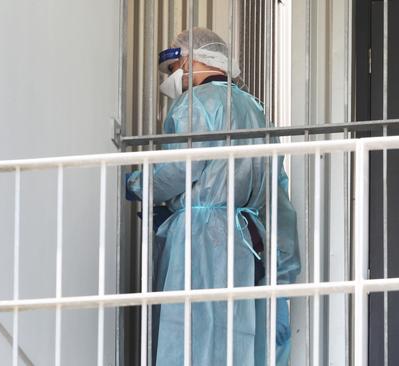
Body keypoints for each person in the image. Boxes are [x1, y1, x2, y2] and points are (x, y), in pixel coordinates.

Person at [127, 27, 300, 366]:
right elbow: (277, 192)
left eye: (174, 69)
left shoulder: (194, 104)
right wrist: (281, 264)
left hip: (200, 236)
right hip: (249, 242)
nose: (173, 78)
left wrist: (136, 184)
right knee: (237, 338)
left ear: (191, 59)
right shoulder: (257, 112)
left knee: (191, 332)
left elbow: (178, 169)